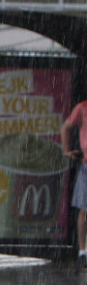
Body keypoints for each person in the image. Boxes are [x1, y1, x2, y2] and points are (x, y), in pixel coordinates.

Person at [59, 99, 87, 266]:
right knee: (84, 211)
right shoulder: (82, 107)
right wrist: (66, 151)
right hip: (86, 165)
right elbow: (66, 127)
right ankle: (82, 251)